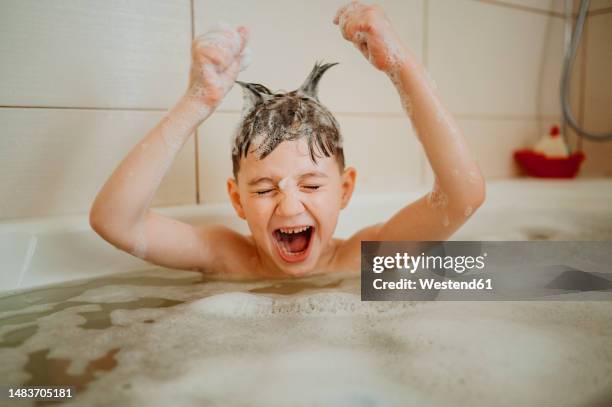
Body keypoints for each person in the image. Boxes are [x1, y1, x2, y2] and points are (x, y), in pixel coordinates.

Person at [89, 1, 485, 280]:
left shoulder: (364, 259)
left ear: (345, 190)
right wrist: (196, 103)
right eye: (263, 190)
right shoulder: (227, 257)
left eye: (311, 184)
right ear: (236, 200)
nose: (290, 206)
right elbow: (114, 223)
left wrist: (400, 65)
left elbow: (462, 195)